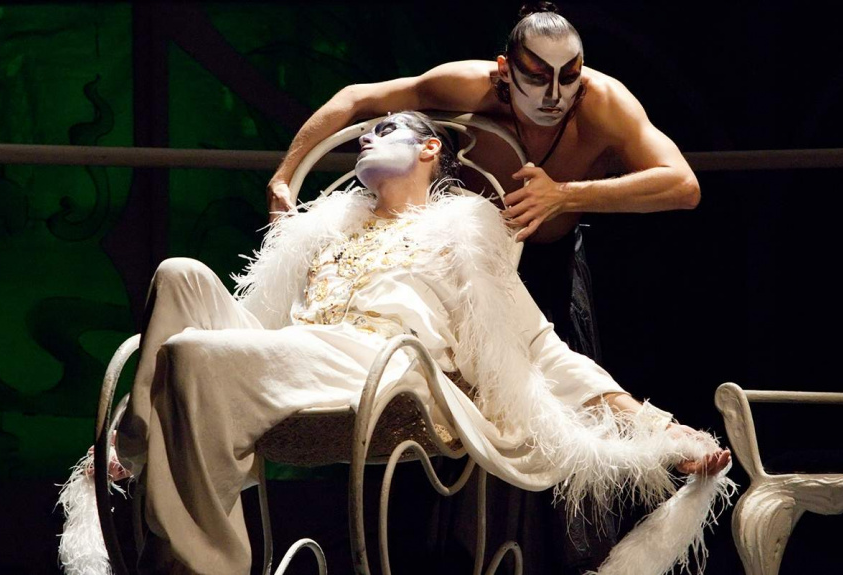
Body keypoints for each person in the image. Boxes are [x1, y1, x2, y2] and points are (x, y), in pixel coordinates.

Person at [58, 112, 729, 575]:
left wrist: (654, 425)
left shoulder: (463, 234)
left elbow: (538, 344)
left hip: (383, 367)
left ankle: (193, 564)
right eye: (366, 133)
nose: (366, 138)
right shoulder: (326, 232)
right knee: (180, 274)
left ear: (430, 149)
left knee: (193, 355)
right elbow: (262, 328)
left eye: (385, 131)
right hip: (301, 353)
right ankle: (137, 440)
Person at [265, 4, 700, 362]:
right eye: (536, 76)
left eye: (568, 77)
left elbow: (683, 185)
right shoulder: (470, 86)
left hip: (551, 260)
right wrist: (283, 176)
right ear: (505, 70)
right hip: (460, 256)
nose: (553, 95)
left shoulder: (603, 101)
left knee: (564, 378)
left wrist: (563, 194)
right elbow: (355, 97)